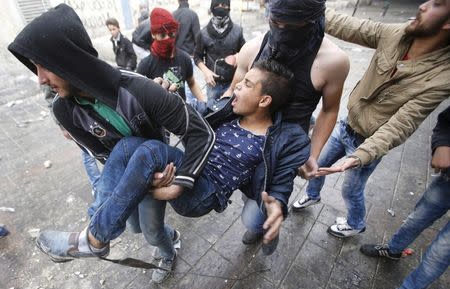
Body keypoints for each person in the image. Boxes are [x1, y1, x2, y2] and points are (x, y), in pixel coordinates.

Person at [34, 60, 310, 282]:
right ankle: (95, 228)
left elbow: (281, 175)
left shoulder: (277, 138)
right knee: (131, 149)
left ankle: (95, 239)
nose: (236, 87)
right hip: (188, 172)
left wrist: (279, 204)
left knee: (150, 151)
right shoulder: (228, 113)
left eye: (246, 84)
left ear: (264, 101)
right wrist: (166, 94)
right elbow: (192, 115)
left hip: (204, 193)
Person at [8, 2, 214, 281]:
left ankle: (162, 252)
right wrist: (139, 181)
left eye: (45, 67)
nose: (41, 80)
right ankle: (105, 229)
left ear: (67, 59)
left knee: (151, 230)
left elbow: (201, 133)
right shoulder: (63, 110)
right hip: (129, 170)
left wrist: (178, 184)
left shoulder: (139, 89)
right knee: (135, 226)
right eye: (36, 68)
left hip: (160, 165)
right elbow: (102, 156)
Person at [293, 1, 450, 238]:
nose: (423, 6)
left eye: (437, 4)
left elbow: (401, 125)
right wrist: (305, 6)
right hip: (346, 124)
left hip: (368, 143)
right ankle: (312, 196)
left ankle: (355, 223)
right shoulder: (396, 34)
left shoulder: (442, 78)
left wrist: (359, 157)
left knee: (351, 189)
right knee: (318, 161)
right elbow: (346, 24)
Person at [221, 0, 349, 200]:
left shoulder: (333, 62)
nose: (281, 30)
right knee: (246, 194)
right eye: (275, 21)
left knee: (258, 219)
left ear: (312, 19)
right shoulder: (252, 49)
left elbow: (330, 110)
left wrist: (312, 155)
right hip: (245, 144)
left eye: (290, 25)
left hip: (283, 153)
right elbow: (232, 93)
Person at [360, 105, 450, 289]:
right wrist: (442, 144)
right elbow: (446, 121)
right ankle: (393, 250)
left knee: (440, 252)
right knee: (416, 218)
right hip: (447, 181)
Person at [136, 8, 205, 102]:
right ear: (153, 34)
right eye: (163, 35)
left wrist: (204, 103)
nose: (167, 38)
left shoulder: (184, 58)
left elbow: (192, 83)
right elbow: (137, 97)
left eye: (171, 34)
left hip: (182, 112)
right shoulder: (145, 65)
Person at [194, 0, 246, 102]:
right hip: (213, 85)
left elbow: (246, 53)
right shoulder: (203, 33)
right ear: (212, 8)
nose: (221, 7)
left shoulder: (238, 31)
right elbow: (197, 57)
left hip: (233, 83)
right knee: (212, 114)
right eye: (217, 5)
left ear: (229, 8)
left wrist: (237, 57)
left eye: (224, 5)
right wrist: (206, 72)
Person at [173, 0, 201, 105]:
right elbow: (198, 37)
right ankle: (190, 110)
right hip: (189, 55)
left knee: (178, 84)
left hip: (175, 55)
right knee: (190, 85)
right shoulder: (192, 15)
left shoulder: (173, 15)